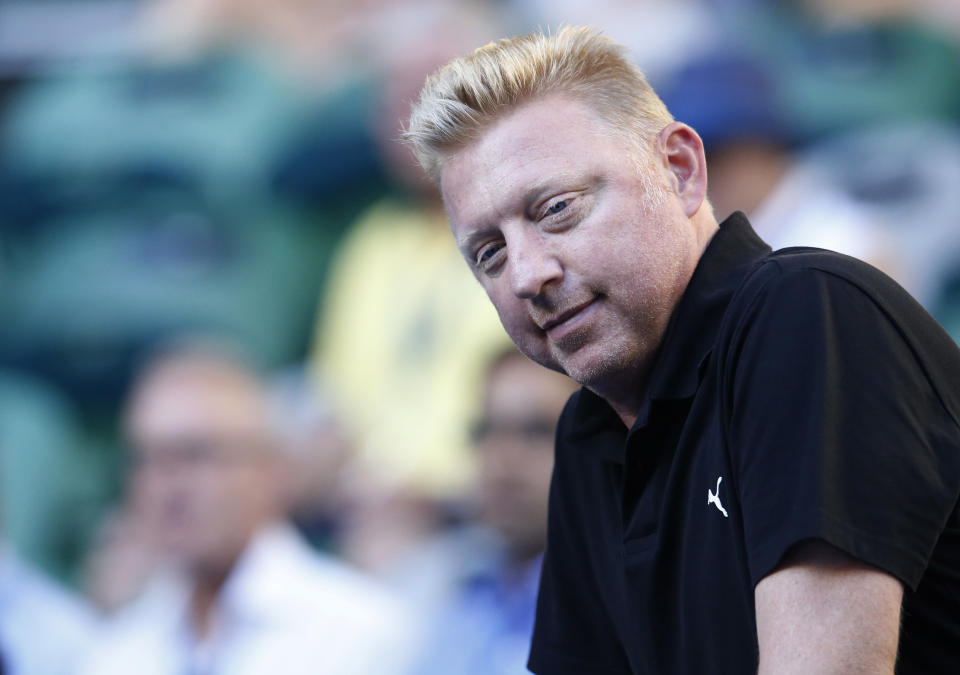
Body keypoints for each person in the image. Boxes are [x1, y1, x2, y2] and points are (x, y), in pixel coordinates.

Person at [403, 26, 960, 674]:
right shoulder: (588, 433)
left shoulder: (806, 313)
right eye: (489, 253)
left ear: (680, 170)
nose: (528, 275)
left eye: (556, 208)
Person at [79, 341, 418, 675]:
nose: (167, 487)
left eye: (196, 455)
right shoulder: (116, 652)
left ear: (268, 468)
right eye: (146, 460)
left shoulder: (364, 637)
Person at [412, 347, 576, 675]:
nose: (502, 462)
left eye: (536, 433)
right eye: (487, 431)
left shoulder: (618, 607)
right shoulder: (447, 585)